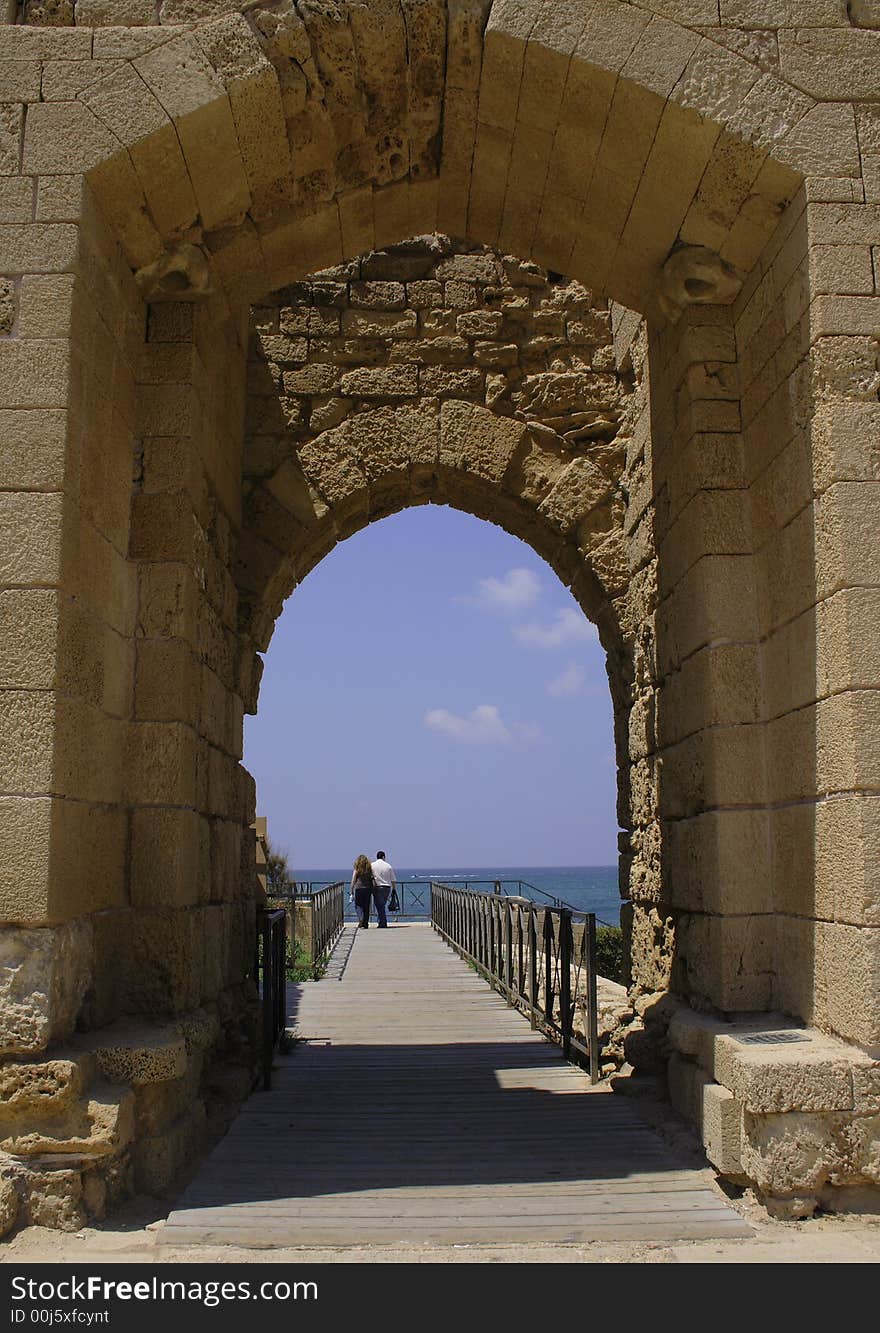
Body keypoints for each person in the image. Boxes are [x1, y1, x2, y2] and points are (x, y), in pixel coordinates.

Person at [370, 850, 397, 929]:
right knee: (382, 905)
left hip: (377, 887)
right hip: (386, 887)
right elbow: (393, 880)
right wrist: (394, 889)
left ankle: (382, 922)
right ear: (383, 857)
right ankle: (382, 922)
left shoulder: (372, 865)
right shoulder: (388, 866)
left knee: (379, 906)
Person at [350, 854, 374, 929]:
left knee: (358, 905)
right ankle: (365, 923)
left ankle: (360, 919)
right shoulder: (369, 869)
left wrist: (351, 890)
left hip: (359, 889)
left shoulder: (357, 870)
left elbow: (353, 880)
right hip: (368, 889)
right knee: (366, 906)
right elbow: (372, 879)